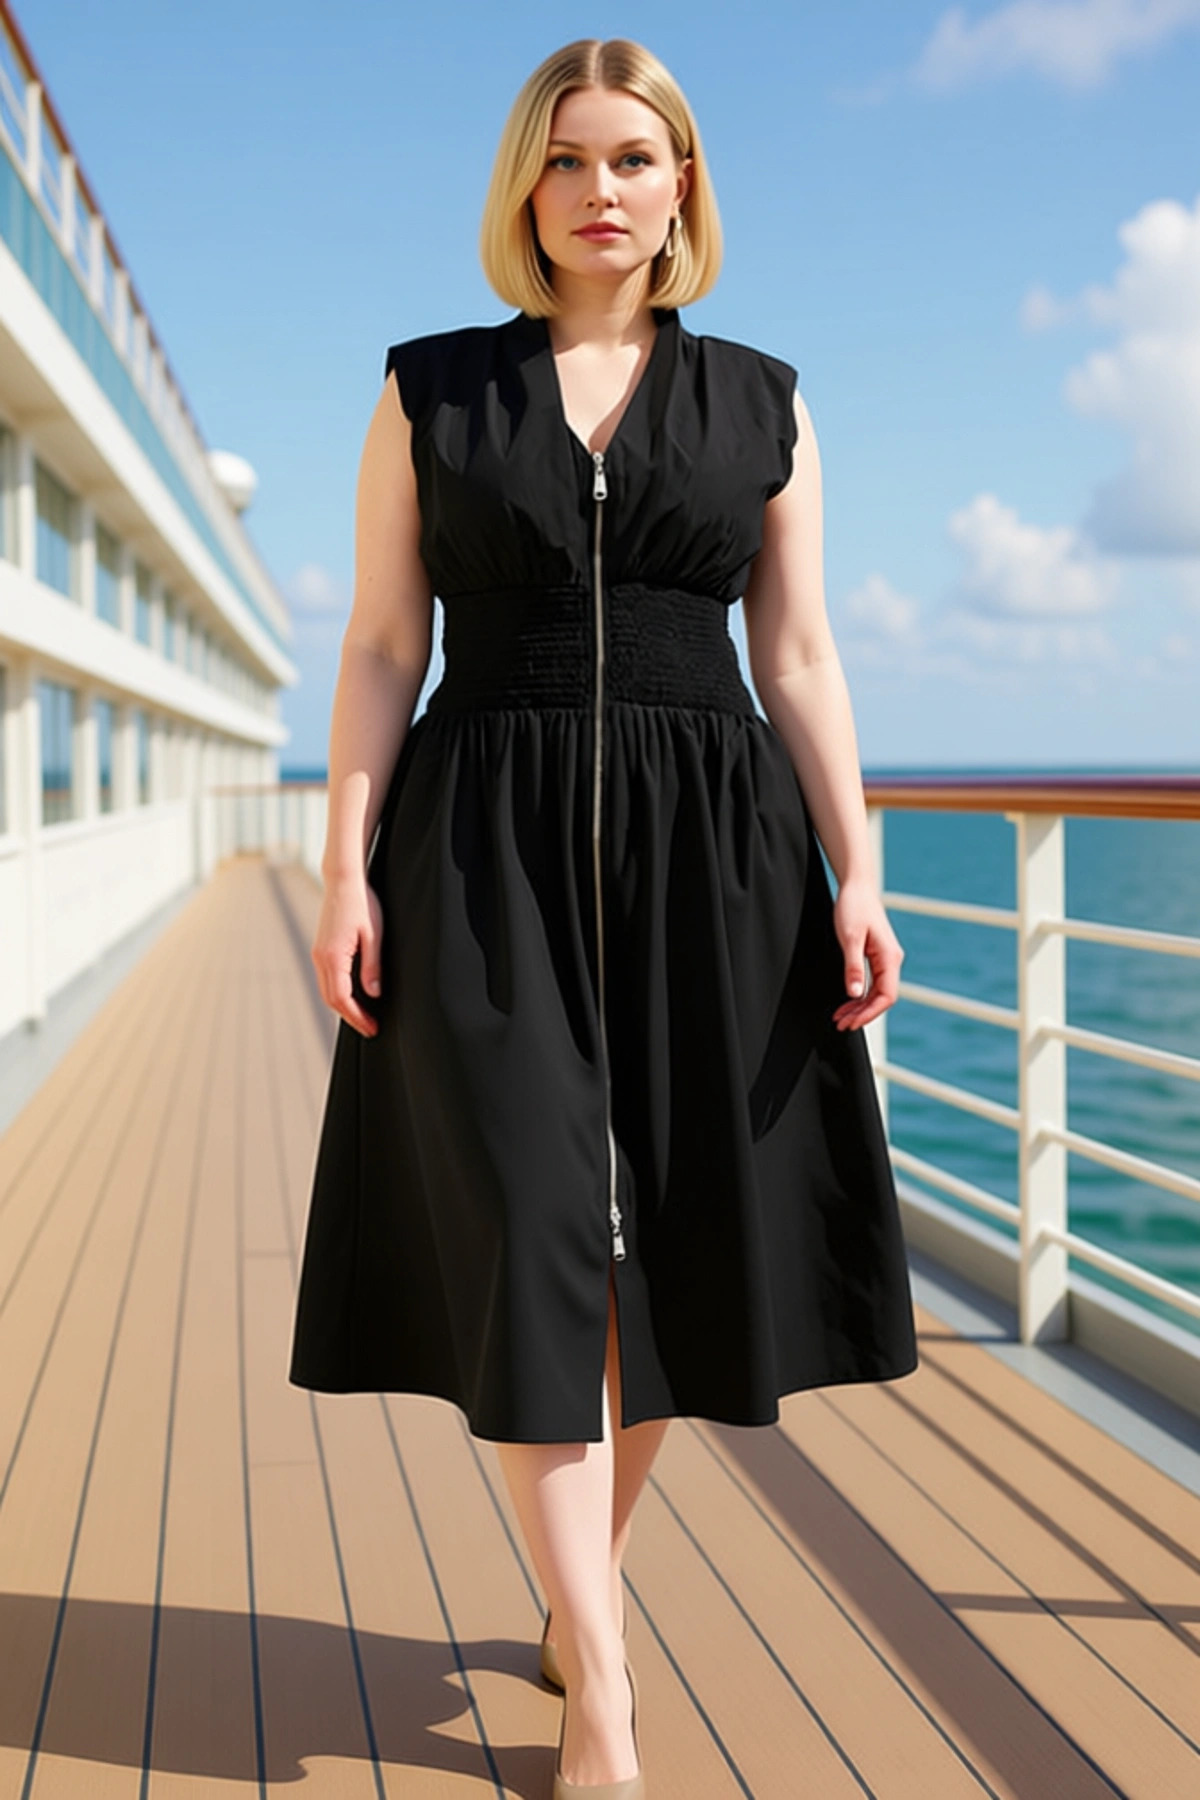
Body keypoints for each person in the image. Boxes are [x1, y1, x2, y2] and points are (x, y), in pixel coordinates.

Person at [289, 34, 919, 1798]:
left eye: (633, 159)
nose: (599, 191)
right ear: (526, 186)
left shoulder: (764, 399)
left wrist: (859, 869)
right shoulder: (431, 390)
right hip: (476, 846)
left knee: (672, 1255)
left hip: (715, 847)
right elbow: (379, 644)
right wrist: (343, 865)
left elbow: (800, 654)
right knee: (530, 1233)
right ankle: (608, 1683)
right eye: (566, 161)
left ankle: (582, 1605)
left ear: (681, 185)